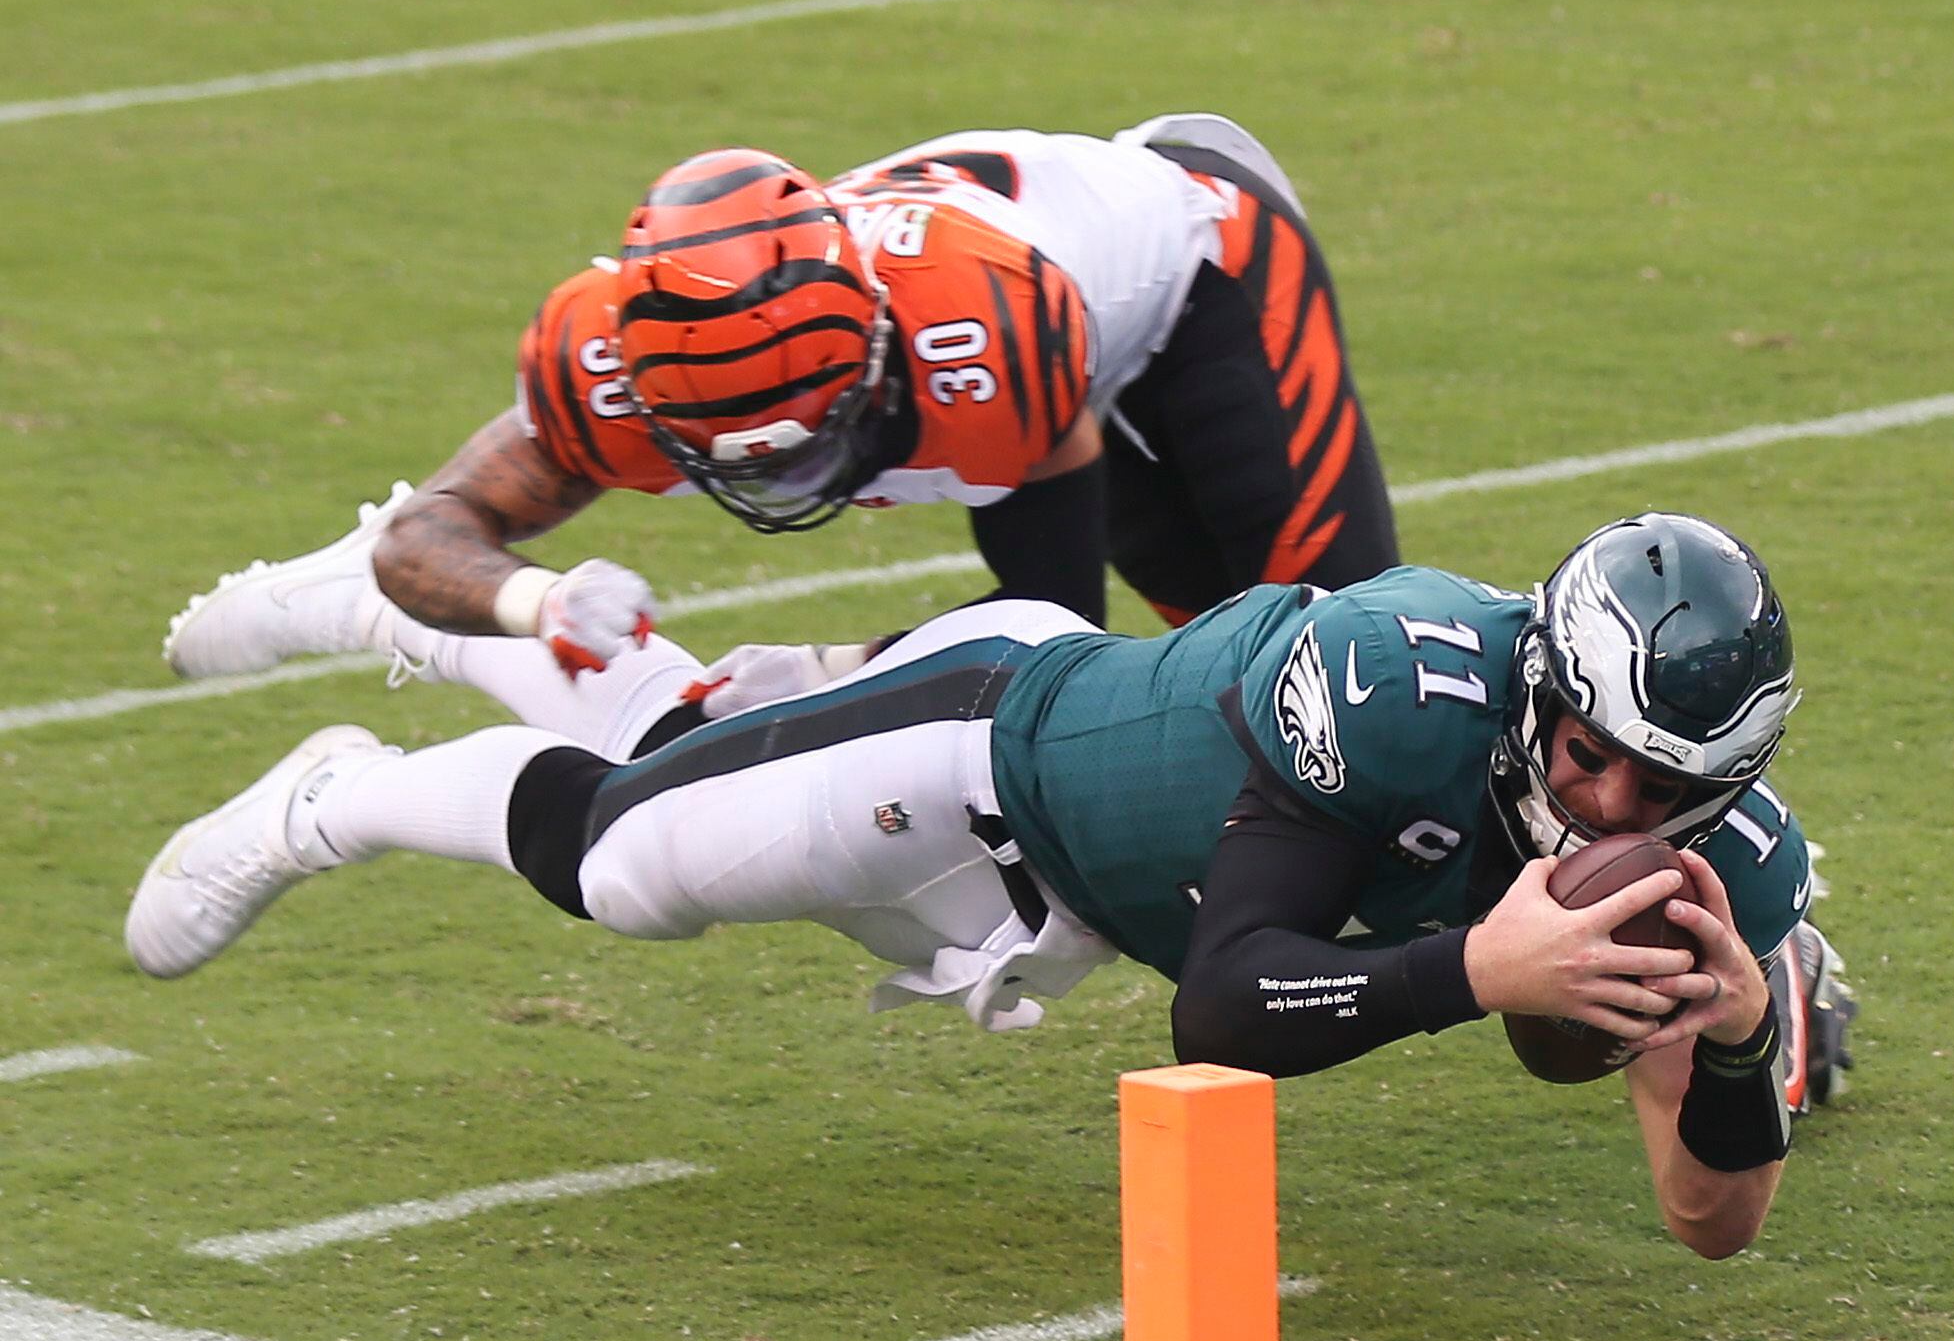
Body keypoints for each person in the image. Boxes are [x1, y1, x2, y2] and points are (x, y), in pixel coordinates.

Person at [130, 513, 1819, 1257]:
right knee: (622, 862)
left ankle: (471, 616)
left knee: (675, 739)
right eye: (1590, 750)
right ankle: (338, 779)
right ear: (1544, 675)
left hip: (1075, 898)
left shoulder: (1716, 863)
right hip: (985, 749)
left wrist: (1739, 1037)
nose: (1607, 798)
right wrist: (1472, 972)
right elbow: (1225, 996)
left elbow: (1709, 1217)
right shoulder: (1404, 675)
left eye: (1662, 784)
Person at [160, 115, 1401, 690]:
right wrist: (537, 596)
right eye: (739, 449)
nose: (792, 472)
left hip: (1199, 272)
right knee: (1229, 686)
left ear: (873, 343)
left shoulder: (981, 337)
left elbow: (1047, 627)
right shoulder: (622, 357)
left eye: (817, 434)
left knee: (1337, 649)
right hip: (1054, 340)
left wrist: (803, 674)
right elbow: (428, 534)